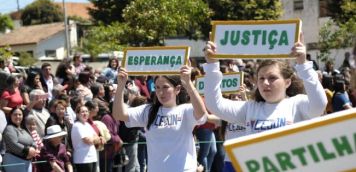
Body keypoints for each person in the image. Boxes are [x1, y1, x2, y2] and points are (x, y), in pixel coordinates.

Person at [202, 33, 327, 171]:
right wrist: (212, 64)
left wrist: (303, 65)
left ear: (287, 82)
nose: (265, 83)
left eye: (272, 78)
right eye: (261, 78)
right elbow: (215, 104)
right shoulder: (250, 108)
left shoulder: (297, 104)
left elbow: (319, 105)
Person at [113, 65, 207, 172]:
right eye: (157, 87)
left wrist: (189, 84)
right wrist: (120, 85)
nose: (160, 92)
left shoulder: (186, 110)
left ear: (177, 89)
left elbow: (201, 113)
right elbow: (118, 114)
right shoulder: (147, 111)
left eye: (165, 87)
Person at [3, 107, 39, 172]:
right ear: (10, 116)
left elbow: (32, 141)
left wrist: (33, 149)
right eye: (15, 114)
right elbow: (13, 144)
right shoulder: (9, 128)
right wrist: (27, 151)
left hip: (27, 161)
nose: (18, 116)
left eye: (20, 114)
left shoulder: (24, 129)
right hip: (13, 160)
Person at [71, 105, 99, 172]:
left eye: (86, 111)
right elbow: (88, 141)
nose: (85, 113)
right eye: (82, 112)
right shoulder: (77, 125)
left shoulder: (87, 124)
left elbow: (96, 136)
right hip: (82, 160)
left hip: (92, 158)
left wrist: (94, 139)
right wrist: (95, 139)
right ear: (77, 114)